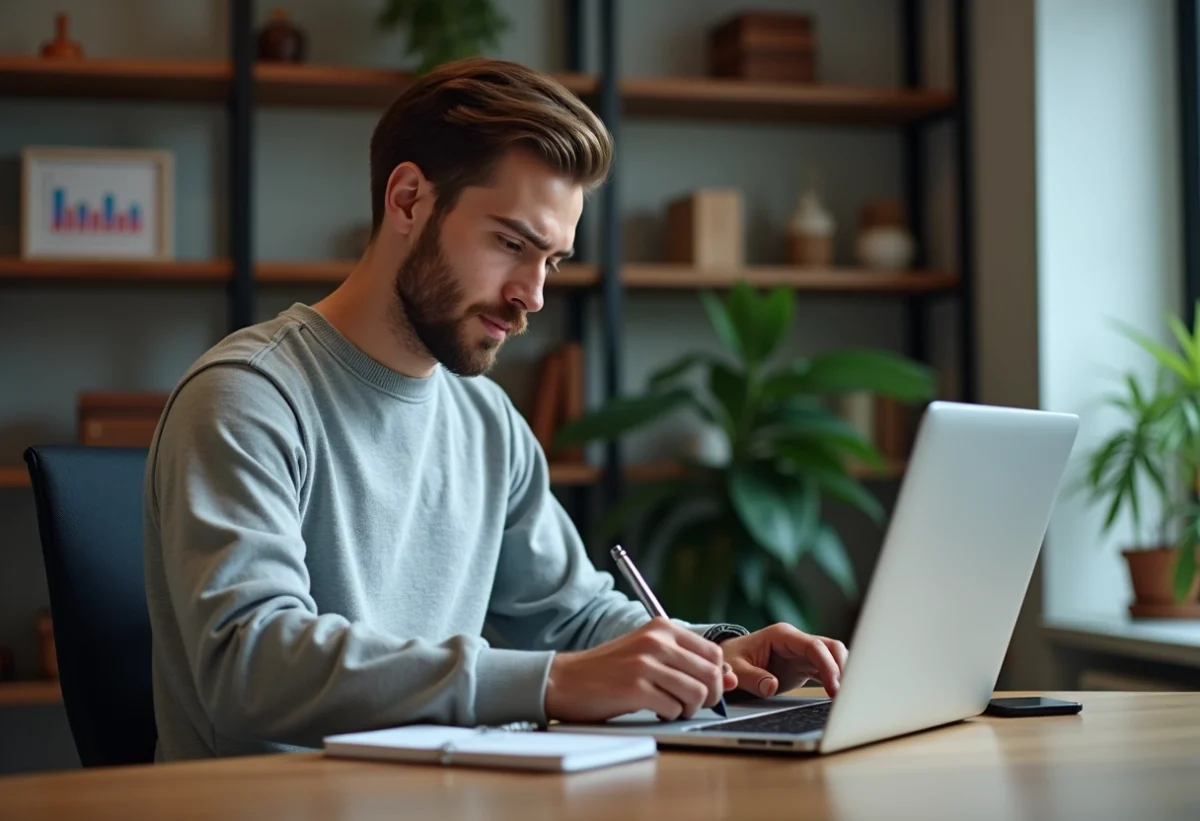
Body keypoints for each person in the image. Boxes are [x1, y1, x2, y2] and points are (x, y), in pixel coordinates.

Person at [143, 57, 848, 762]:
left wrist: (720, 655)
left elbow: (573, 618)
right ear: (409, 199)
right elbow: (248, 664)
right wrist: (549, 683)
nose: (532, 294)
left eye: (553, 261)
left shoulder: (488, 421)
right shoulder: (247, 396)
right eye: (511, 243)